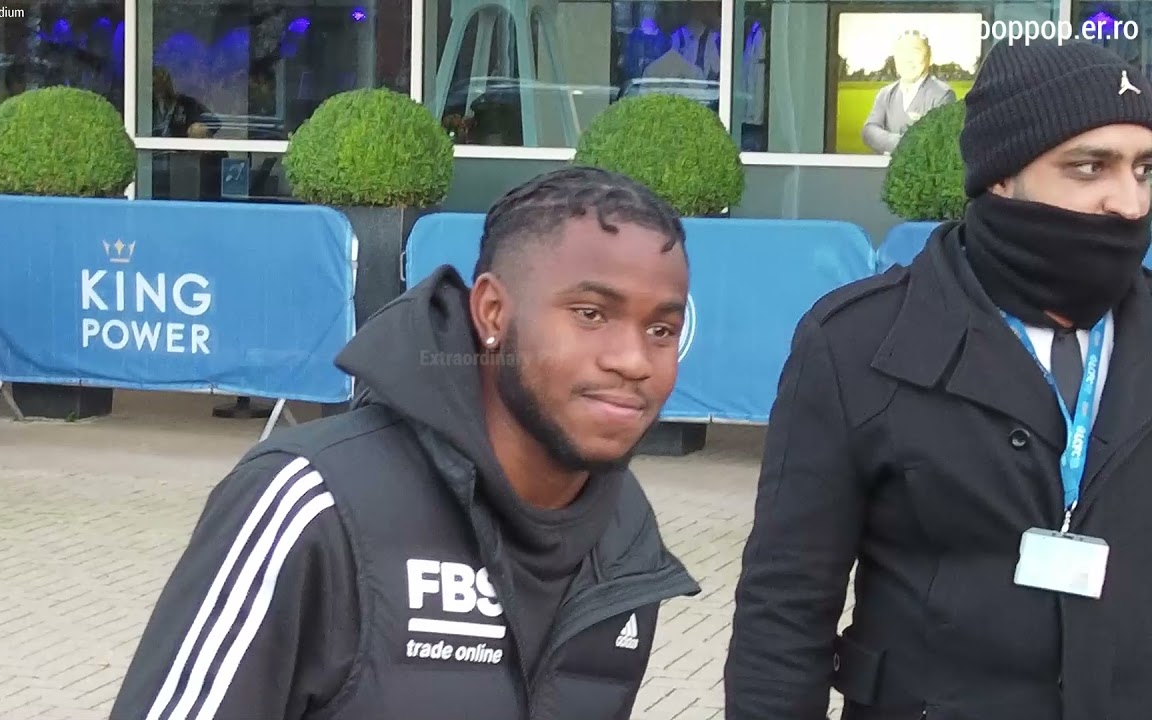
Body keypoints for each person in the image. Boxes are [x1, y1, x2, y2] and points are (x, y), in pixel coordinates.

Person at [108, 166, 700, 720]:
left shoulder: (624, 532)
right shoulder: (314, 503)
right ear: (493, 311)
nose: (633, 361)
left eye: (661, 329)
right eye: (591, 314)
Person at [724, 39, 1152, 720]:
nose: (1128, 202)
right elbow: (785, 613)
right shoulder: (856, 343)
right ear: (1001, 176)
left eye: (1144, 169)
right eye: (1089, 166)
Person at [861, 30, 956, 155]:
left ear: (930, 57)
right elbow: (869, 131)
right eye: (902, 52)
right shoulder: (886, 93)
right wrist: (901, 143)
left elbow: (936, 141)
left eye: (915, 51)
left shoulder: (942, 95)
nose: (907, 59)